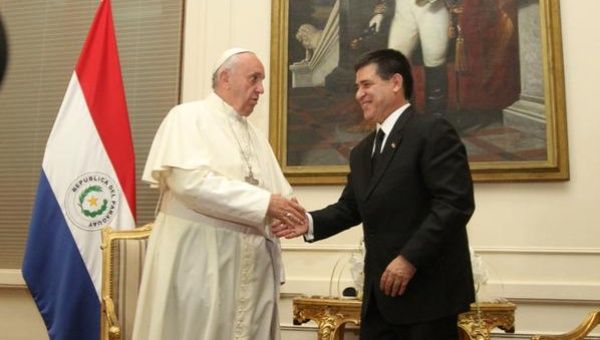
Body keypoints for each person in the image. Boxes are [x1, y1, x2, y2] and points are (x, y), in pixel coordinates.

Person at [273, 48, 476, 339]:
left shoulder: (432, 132)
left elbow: (454, 204)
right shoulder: (362, 151)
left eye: (366, 85)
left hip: (427, 299)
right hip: (379, 301)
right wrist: (309, 222)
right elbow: (350, 208)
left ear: (395, 83)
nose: (359, 94)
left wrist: (409, 258)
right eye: (357, 87)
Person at [132, 48, 306, 340]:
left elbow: (280, 194)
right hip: (199, 264)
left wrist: (286, 214)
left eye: (261, 80)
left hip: (252, 270)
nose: (261, 89)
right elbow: (190, 182)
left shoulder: (256, 136)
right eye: (254, 79)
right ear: (225, 78)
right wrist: (264, 203)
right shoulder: (187, 117)